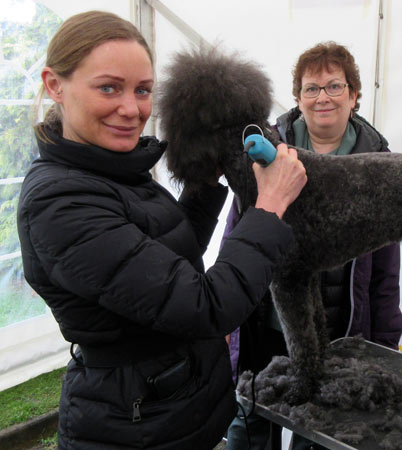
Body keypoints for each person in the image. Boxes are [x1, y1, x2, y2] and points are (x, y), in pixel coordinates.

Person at [16, 10, 306, 450]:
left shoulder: (111, 170)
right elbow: (204, 306)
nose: (131, 109)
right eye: (108, 87)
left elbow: (163, 257)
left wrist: (206, 184)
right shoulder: (61, 204)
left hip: (172, 411)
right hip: (134, 428)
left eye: (143, 90)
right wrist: (269, 209)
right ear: (55, 85)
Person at [225, 41, 402, 450]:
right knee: (249, 429)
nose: (322, 97)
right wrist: (226, 316)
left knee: (321, 436)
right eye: (311, 88)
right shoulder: (263, 152)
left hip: (339, 335)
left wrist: (386, 344)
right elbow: (237, 232)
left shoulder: (381, 164)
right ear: (298, 99)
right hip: (264, 324)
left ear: (355, 96)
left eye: (334, 86)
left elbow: (385, 272)